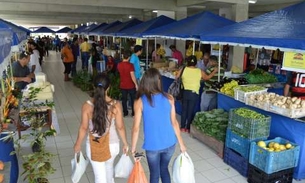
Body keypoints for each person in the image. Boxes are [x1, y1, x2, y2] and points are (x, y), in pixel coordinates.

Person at [131, 68, 186, 183]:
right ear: (159, 81)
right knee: (164, 169)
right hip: (170, 143)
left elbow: (136, 128)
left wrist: (133, 148)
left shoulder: (140, 101)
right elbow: (174, 123)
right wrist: (181, 144)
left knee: (154, 174)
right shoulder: (169, 98)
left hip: (152, 146)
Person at [74, 73, 129, 183]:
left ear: (94, 87)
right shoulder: (115, 105)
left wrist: (78, 144)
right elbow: (120, 127)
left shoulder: (87, 106)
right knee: (109, 171)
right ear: (109, 87)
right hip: (112, 145)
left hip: (94, 145)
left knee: (100, 177)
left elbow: (84, 128)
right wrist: (125, 143)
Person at [177, 55, 218, 132]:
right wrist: (214, 72)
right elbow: (207, 78)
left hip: (185, 92)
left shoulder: (183, 69)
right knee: (190, 110)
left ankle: (182, 127)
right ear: (196, 63)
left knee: (184, 109)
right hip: (194, 93)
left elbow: (177, 77)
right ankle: (188, 128)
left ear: (188, 62)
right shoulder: (199, 71)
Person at [117, 51, 138, 117]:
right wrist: (136, 84)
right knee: (132, 99)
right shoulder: (130, 65)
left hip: (123, 84)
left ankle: (125, 112)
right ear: (129, 57)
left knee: (124, 99)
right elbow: (132, 75)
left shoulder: (119, 65)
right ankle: (133, 113)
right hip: (130, 85)